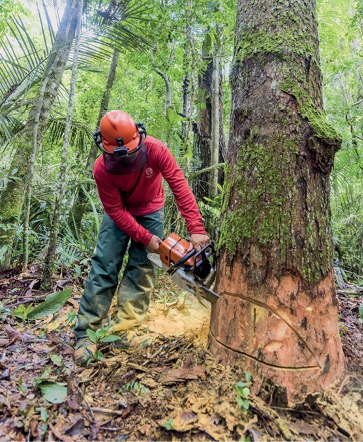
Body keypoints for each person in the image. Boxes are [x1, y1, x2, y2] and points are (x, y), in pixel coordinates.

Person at [74, 110, 210, 365]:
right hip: (119, 212)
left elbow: (178, 183)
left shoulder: (156, 150)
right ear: (104, 147)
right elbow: (114, 210)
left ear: (139, 137)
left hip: (150, 208)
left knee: (143, 267)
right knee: (105, 264)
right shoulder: (102, 169)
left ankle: (124, 328)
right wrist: (144, 237)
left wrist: (196, 226)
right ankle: (86, 332)